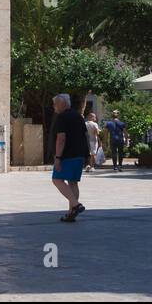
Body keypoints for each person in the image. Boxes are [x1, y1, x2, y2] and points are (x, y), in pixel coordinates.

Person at [51, 93, 89, 222]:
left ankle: (76, 205)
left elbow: (61, 138)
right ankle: (71, 212)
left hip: (66, 155)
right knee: (73, 182)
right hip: (79, 154)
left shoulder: (62, 117)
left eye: (55, 104)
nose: (54, 106)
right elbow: (85, 136)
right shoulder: (78, 116)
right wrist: (87, 155)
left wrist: (58, 157)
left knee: (57, 179)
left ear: (62, 104)